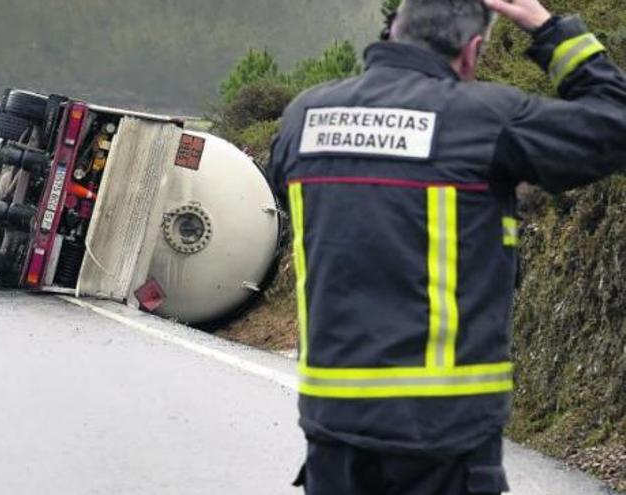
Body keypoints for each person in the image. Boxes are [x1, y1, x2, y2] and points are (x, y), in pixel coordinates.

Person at [268, 1, 626, 494]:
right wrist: (549, 29)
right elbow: (614, 120)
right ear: (473, 51)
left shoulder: (303, 116)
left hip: (333, 429)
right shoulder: (486, 118)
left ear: (395, 31)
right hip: (444, 438)